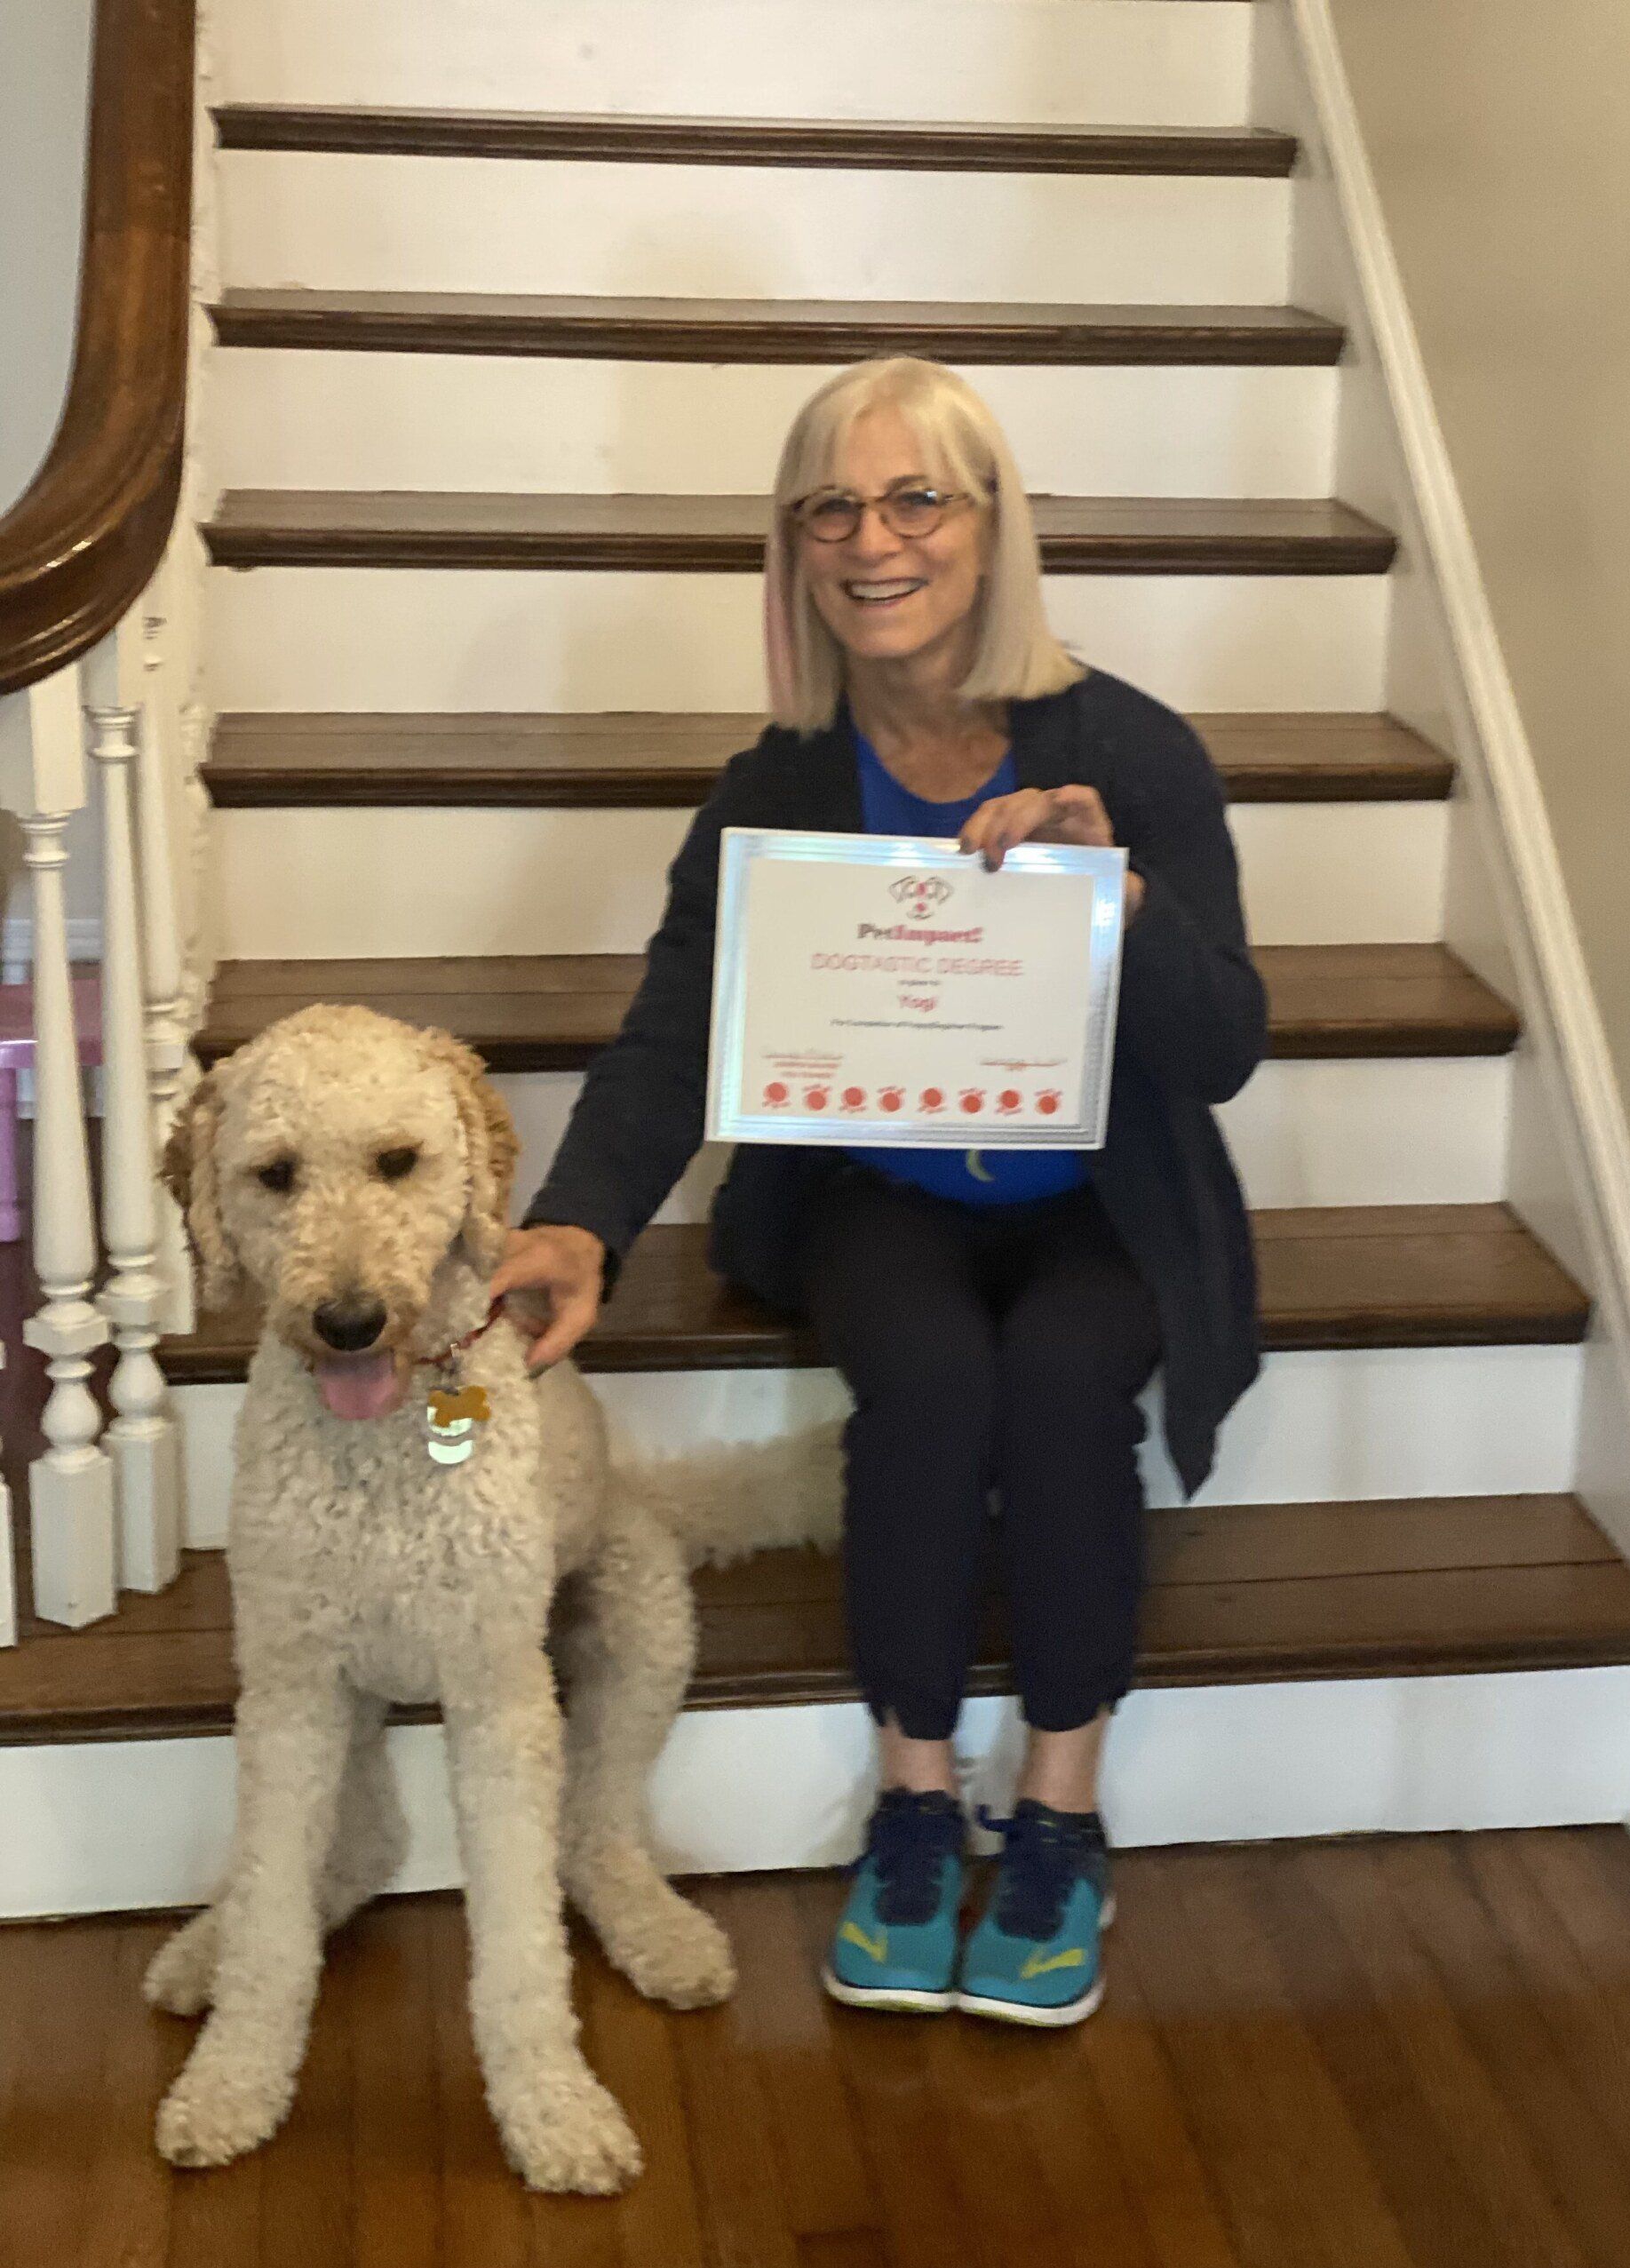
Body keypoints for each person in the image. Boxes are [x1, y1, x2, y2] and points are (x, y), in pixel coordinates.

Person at [491, 357, 1267, 2027]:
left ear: (991, 525)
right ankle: (916, 1802)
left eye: (917, 497)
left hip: (1102, 1192)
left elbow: (1224, 1050)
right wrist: (579, 1219)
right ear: (795, 547)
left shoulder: (1131, 748)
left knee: (1063, 1378)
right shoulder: (776, 781)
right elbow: (676, 1026)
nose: (873, 539)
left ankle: (1058, 1811)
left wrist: (1121, 895)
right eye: (830, 507)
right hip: (875, 1180)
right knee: (924, 1375)